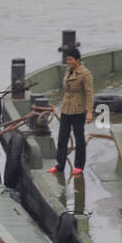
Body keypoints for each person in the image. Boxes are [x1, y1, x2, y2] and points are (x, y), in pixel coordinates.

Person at [47, 48, 95, 177]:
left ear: (77, 60)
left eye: (70, 59)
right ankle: (60, 165)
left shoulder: (85, 74)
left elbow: (89, 93)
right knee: (62, 138)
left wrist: (89, 111)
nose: (68, 62)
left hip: (78, 110)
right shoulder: (68, 71)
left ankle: (79, 166)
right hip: (66, 109)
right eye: (67, 59)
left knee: (79, 139)